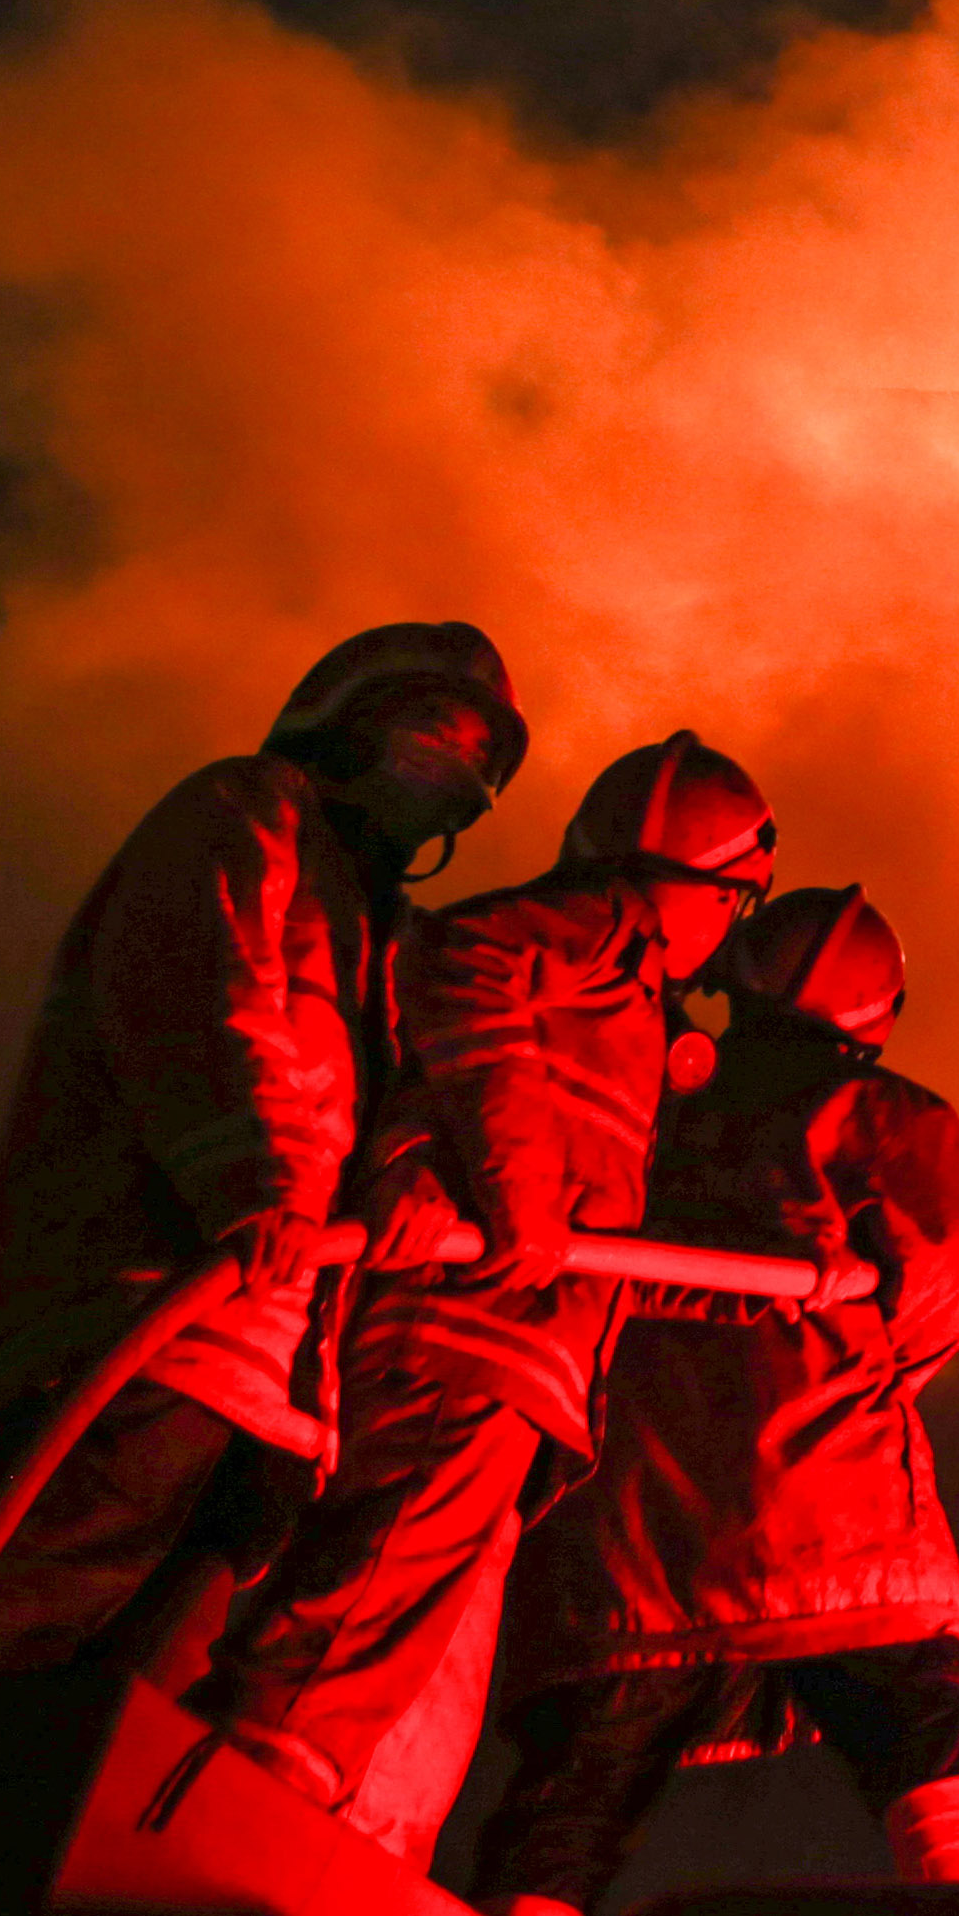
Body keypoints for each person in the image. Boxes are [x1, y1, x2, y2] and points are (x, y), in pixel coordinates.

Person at [0, 621, 526, 1680]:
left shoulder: (394, 937)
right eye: (430, 732)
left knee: (121, 1723)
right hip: (137, 1333)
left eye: (478, 759)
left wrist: (413, 1182)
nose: (454, 771)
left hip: (280, 1393)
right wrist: (255, 1185)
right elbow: (196, 999)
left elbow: (413, 1104)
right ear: (343, 721)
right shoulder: (244, 814)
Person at [187, 730, 776, 1836]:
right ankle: (242, 1785)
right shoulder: (595, 935)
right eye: (732, 904)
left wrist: (785, 1291)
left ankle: (290, 1789)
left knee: (408, 1575)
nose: (722, 937)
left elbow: (611, 1245)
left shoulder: (633, 1005)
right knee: (388, 1555)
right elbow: (462, 962)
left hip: (517, 1339)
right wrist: (520, 1195)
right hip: (469, 1328)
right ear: (695, 883)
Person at [470, 885, 959, 1916]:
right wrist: (863, 1359)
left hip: (621, 1533)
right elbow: (945, 1279)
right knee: (928, 1729)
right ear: (881, 1013)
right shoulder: (890, 1119)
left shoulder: (642, 1103)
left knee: (569, 1806)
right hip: (834, 1522)